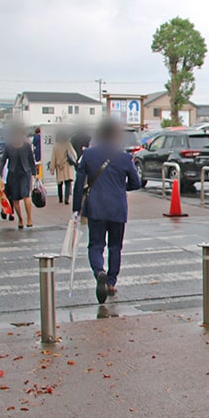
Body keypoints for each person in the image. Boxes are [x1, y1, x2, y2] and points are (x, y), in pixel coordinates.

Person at [72, 118, 141, 303]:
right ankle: (111, 282)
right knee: (115, 246)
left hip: (95, 207)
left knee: (95, 245)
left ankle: (98, 271)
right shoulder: (125, 157)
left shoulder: (88, 155)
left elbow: (79, 184)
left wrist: (76, 208)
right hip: (117, 207)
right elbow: (136, 183)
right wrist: (119, 187)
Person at [0, 124, 37, 229]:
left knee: (26, 195)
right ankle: (20, 219)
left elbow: (31, 161)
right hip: (13, 174)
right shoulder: (9, 147)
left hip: (25, 173)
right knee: (15, 199)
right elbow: (3, 160)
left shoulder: (27, 146)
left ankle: (29, 218)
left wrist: (34, 173)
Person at [50, 131, 77, 204]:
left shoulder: (56, 146)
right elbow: (74, 154)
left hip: (59, 167)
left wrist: (52, 168)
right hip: (67, 165)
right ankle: (67, 199)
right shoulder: (68, 144)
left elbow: (53, 158)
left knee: (59, 183)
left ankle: (60, 198)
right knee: (68, 183)